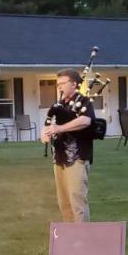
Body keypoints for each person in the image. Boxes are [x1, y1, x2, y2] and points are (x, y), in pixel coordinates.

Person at [42, 68, 95, 222]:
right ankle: (71, 238)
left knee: (77, 200)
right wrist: (45, 133)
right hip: (59, 157)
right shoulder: (58, 104)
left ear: (73, 84)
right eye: (57, 84)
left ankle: (83, 237)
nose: (59, 87)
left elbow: (86, 120)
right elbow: (49, 123)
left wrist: (60, 128)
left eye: (63, 83)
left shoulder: (83, 101)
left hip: (77, 158)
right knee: (63, 202)